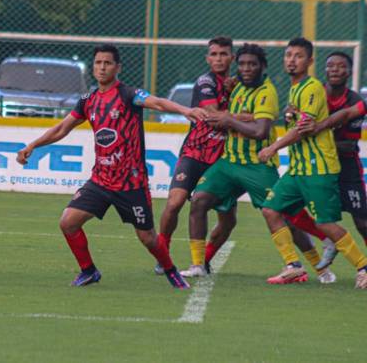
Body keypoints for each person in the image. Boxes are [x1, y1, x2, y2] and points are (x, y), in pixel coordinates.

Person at [17, 44, 207, 288]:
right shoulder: (88, 100)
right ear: (93, 67)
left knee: (148, 238)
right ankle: (88, 271)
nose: (102, 67)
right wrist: (32, 145)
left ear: (118, 67)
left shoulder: (129, 94)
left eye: (107, 63)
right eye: (98, 63)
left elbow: (158, 103)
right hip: (100, 181)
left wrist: (185, 110)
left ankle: (171, 271)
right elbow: (62, 128)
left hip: (131, 184)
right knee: (68, 222)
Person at [182, 43, 335, 283]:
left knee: (284, 216)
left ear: (262, 66)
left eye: (252, 64)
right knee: (199, 201)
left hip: (257, 165)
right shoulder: (236, 86)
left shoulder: (267, 91)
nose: (246, 68)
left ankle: (320, 268)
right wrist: (238, 117)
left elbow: (261, 131)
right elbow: (222, 116)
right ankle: (197, 264)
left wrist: (229, 119)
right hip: (229, 161)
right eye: (242, 63)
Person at [258, 37, 367, 288]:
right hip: (298, 169)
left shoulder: (312, 88)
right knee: (270, 209)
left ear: (309, 61)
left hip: (318, 168)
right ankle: (293, 266)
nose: (291, 60)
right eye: (288, 55)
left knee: (326, 223)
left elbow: (303, 129)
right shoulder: (295, 89)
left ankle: (363, 267)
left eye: (298, 56)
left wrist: (273, 147)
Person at [155, 36, 238, 276]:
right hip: (195, 152)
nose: (218, 58)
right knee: (175, 202)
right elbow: (213, 115)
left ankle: (205, 258)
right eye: (214, 54)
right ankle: (162, 255)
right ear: (207, 58)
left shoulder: (239, 84)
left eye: (223, 54)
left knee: (228, 220)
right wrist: (246, 119)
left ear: (232, 57)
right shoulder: (205, 81)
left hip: (221, 158)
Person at [296, 51, 367, 268]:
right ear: (324, 69)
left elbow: (348, 144)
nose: (335, 69)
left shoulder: (356, 101)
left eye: (340, 66)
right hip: (316, 164)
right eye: (330, 65)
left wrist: (317, 135)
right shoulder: (314, 93)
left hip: (346, 167)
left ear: (349, 71)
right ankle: (325, 244)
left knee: (361, 219)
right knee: (289, 206)